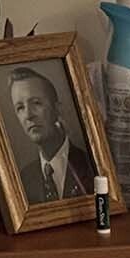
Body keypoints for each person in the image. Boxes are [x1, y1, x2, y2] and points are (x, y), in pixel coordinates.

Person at [8, 67, 93, 202]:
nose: (28, 115)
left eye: (36, 103)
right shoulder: (24, 179)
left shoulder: (90, 166)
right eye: (20, 108)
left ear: (57, 109)